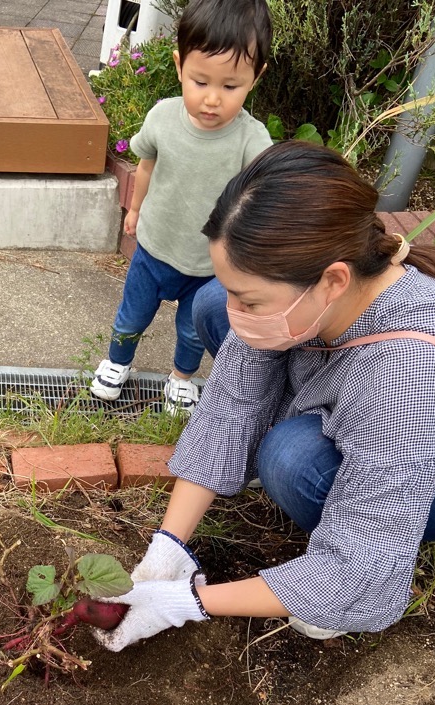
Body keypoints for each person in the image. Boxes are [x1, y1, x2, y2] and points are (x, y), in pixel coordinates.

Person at [96, 141, 435, 651]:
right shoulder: (322, 294)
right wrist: (168, 545)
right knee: (213, 306)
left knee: (292, 458)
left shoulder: (405, 374)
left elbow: (359, 572)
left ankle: (324, 591)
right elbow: (231, 402)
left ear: (333, 281)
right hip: (359, 397)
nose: (241, 312)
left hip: (426, 476)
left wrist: (188, 603)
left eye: (251, 299)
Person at [90, 0, 273, 415]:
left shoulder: (252, 140)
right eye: (200, 81)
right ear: (179, 65)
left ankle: (181, 379)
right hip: (154, 248)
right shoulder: (162, 118)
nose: (212, 99)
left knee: (192, 332)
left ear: (255, 78)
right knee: (131, 317)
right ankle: (117, 363)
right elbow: (146, 166)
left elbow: (261, 196)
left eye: (230, 87)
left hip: (208, 266)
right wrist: (134, 212)